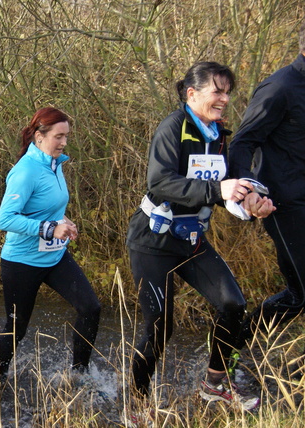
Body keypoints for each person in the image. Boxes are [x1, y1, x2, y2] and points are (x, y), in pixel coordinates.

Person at [125, 62, 272, 418]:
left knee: (233, 305)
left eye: (227, 92)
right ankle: (138, 403)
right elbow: (160, 183)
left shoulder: (220, 135)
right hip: (153, 241)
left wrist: (250, 199)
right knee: (160, 327)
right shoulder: (173, 127)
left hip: (190, 239)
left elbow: (229, 183)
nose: (224, 99)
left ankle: (214, 385)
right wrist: (217, 189)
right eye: (217, 91)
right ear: (192, 94)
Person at [0, 107, 101, 383]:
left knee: (91, 308)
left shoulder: (55, 163)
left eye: (66, 136)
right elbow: (5, 219)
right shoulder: (26, 171)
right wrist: (52, 228)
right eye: (58, 136)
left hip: (53, 257)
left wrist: (64, 221)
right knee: (17, 327)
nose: (64, 142)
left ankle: (79, 375)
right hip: (21, 262)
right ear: (39, 136)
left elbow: (47, 208)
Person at [229, 21, 305, 350]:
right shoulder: (279, 88)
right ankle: (230, 347)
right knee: (302, 294)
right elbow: (243, 143)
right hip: (286, 204)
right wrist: (248, 190)